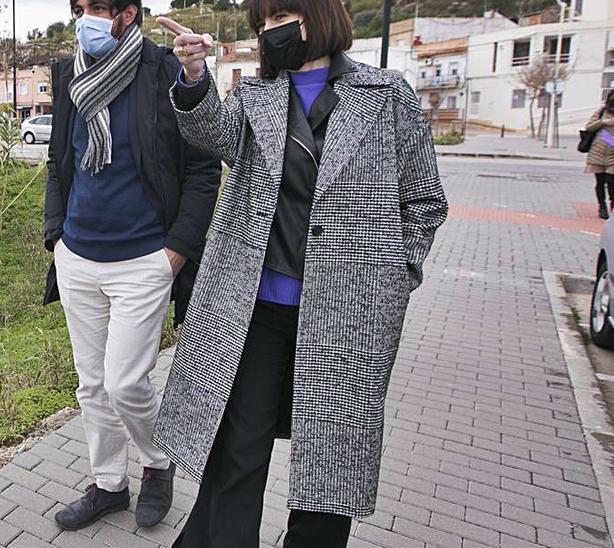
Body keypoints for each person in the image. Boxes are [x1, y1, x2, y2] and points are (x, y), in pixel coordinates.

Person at [151, 0, 448, 545]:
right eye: (262, 24)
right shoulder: (255, 96)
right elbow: (214, 138)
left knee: (328, 475)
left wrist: (391, 280)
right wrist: (194, 75)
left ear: (321, 17)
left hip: (346, 320)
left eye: (281, 15)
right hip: (254, 313)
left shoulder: (387, 97)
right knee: (237, 453)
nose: (272, 31)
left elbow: (424, 201)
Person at [41, 0, 221, 532]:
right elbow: (60, 159)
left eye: (99, 7)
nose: (87, 18)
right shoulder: (69, 71)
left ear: (128, 13)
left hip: (144, 258)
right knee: (91, 386)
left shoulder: (162, 71)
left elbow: (203, 166)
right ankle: (108, 485)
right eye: (80, 7)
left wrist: (177, 250)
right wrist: (56, 237)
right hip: (78, 255)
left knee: (124, 383)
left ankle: (158, 462)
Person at [585, 88, 614, 219]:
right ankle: (602, 206)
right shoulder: (602, 111)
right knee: (599, 181)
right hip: (598, 149)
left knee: (611, 180)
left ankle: (613, 204)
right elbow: (589, 127)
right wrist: (603, 122)